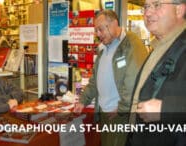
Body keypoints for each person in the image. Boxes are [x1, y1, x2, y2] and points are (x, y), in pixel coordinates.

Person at [73, 10, 148, 146]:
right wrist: (83, 100)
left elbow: (133, 80)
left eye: (101, 29)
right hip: (104, 112)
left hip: (119, 115)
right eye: (96, 30)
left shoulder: (131, 43)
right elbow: (95, 81)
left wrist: (121, 108)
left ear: (114, 23)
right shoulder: (103, 48)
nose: (98, 34)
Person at [128, 0, 186, 146]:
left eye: (157, 5)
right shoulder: (159, 45)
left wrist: (166, 109)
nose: (147, 12)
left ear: (179, 10)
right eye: (146, 6)